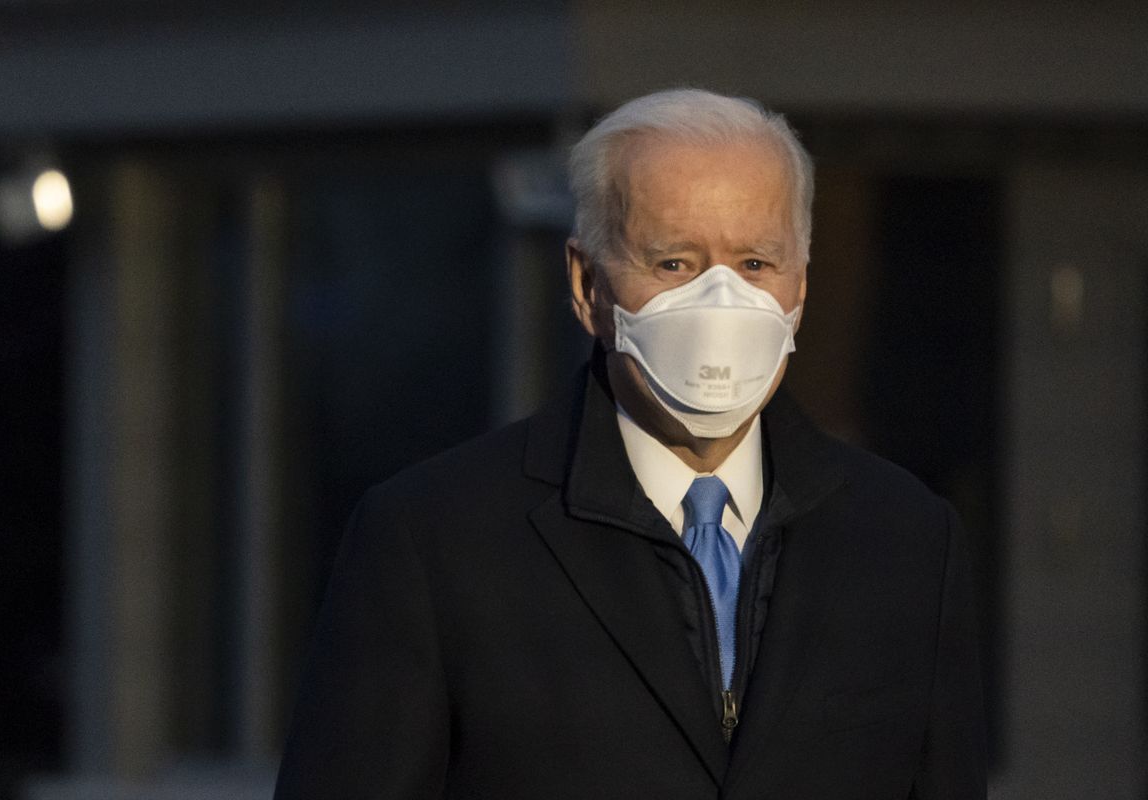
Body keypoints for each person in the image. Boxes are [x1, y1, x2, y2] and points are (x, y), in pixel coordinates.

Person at [274, 89, 986, 799]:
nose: (721, 303)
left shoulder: (908, 542)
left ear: (800, 282)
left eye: (755, 265)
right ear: (588, 286)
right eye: (675, 263)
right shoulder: (433, 543)